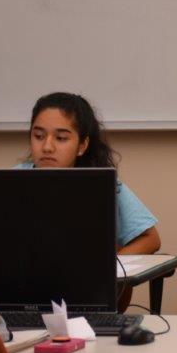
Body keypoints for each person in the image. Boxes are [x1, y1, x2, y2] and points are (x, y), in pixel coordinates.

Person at [18, 92, 161, 255]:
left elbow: (151, 239)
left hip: (83, 278)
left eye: (61, 138)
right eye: (39, 136)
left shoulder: (103, 183)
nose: (47, 147)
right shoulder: (10, 181)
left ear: (82, 146)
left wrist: (107, 270)